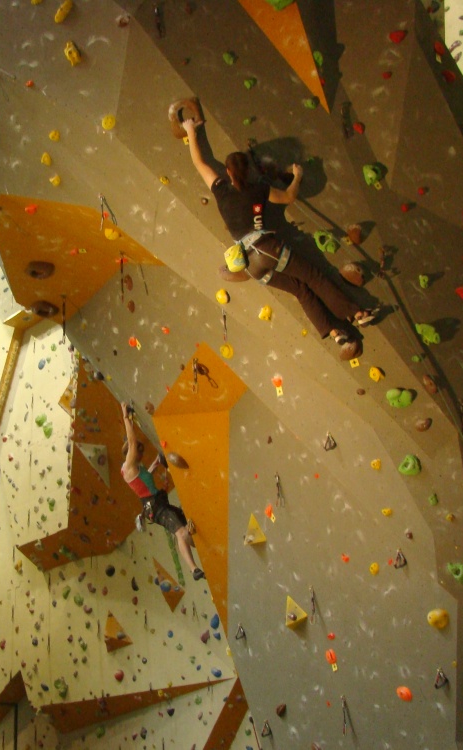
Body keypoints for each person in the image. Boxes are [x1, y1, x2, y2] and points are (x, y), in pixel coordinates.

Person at [182, 118, 378, 356]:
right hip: (267, 249)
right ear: (248, 171)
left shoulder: (220, 191)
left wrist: (190, 130)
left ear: (228, 172)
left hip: (251, 266)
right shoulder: (258, 190)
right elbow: (288, 197)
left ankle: (335, 333)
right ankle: (356, 313)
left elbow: (199, 162)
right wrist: (297, 176)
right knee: (314, 277)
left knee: (300, 290)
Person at [120, 400, 204, 581]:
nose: (141, 455)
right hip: (156, 508)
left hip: (157, 504)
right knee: (181, 532)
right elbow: (132, 442)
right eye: (139, 453)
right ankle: (194, 569)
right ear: (131, 454)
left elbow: (145, 480)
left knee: (186, 525)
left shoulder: (134, 470)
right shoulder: (129, 466)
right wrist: (126, 417)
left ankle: (200, 552)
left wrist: (157, 463)